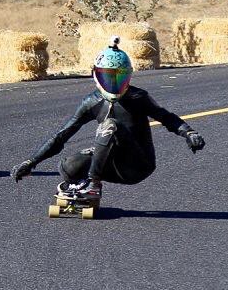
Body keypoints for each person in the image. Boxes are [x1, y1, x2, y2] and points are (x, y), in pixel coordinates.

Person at [11, 38, 205, 198]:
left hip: (138, 165)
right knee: (67, 166)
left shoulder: (138, 98)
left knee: (110, 125)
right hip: (113, 166)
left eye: (119, 78)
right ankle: (81, 187)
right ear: (96, 76)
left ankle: (92, 184)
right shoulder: (92, 102)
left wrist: (189, 132)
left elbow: (167, 117)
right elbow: (62, 135)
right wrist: (31, 162)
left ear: (128, 77)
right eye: (107, 77)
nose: (113, 83)